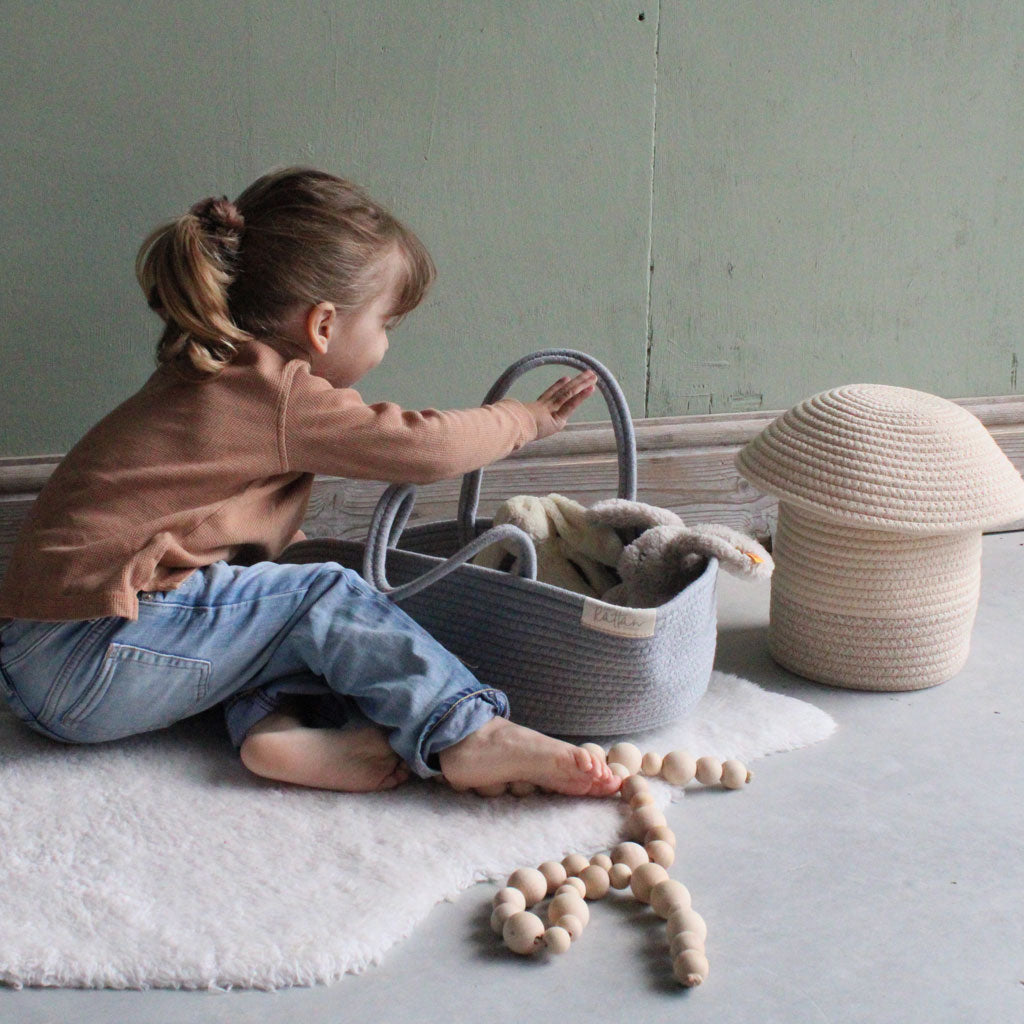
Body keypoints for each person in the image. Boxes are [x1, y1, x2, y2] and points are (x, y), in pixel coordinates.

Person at [0, 166, 620, 799]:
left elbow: (218, 534)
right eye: (385, 325)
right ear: (323, 325)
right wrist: (525, 419)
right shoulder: (273, 390)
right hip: (92, 647)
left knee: (280, 617)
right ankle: (466, 733)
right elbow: (420, 445)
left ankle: (274, 730)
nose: (384, 345)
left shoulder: (206, 371)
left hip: (41, 662)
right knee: (324, 594)